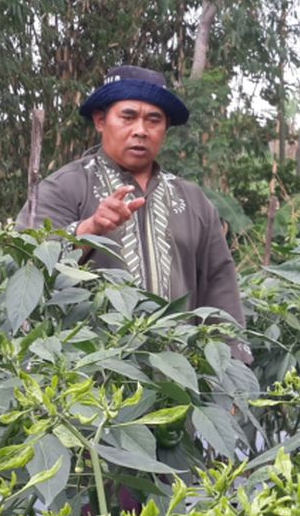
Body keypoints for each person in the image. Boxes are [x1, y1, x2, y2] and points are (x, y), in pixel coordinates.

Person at [18, 65, 246, 335]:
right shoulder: (63, 187)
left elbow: (219, 282)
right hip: (86, 370)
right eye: (128, 117)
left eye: (153, 120)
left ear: (166, 128)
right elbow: (25, 265)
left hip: (178, 368)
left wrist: (230, 358)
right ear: (100, 121)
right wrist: (88, 231)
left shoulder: (193, 200)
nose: (141, 130)